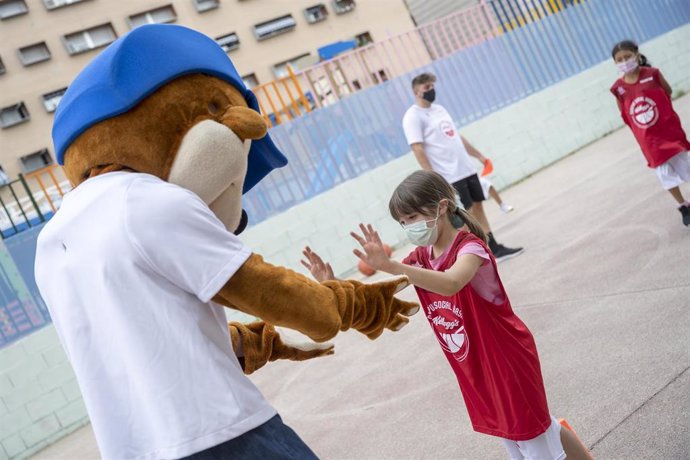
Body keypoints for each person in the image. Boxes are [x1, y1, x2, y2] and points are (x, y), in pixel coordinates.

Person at [302, 170, 591, 460]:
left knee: (531, 440)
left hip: (505, 359)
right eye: (402, 222)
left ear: (440, 207)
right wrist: (334, 286)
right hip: (474, 365)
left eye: (412, 217)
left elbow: (452, 282)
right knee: (530, 432)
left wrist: (391, 265)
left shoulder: (470, 248)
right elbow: (382, 295)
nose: (408, 227)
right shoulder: (421, 257)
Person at [402, 72, 523, 260]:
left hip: (465, 169)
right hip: (448, 175)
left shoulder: (439, 110)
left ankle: (493, 248)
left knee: (478, 208)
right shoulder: (412, 116)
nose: (431, 90)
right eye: (427, 88)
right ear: (417, 91)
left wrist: (479, 156)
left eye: (432, 86)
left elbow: (456, 137)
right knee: (464, 217)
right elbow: (417, 148)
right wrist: (432, 176)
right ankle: (474, 256)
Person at [610, 40, 690, 226]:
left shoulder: (652, 74)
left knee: (685, 166)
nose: (624, 61)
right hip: (649, 141)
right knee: (663, 173)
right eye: (619, 59)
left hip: (668, 132)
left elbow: (667, 92)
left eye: (627, 56)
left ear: (637, 55)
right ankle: (683, 206)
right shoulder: (618, 89)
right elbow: (625, 114)